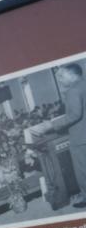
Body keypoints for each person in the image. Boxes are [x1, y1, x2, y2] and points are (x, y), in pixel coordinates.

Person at [50, 63, 86, 207]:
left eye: (62, 76)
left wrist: (52, 125)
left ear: (72, 75)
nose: (60, 80)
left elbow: (75, 115)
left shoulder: (73, 91)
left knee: (82, 169)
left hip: (80, 136)